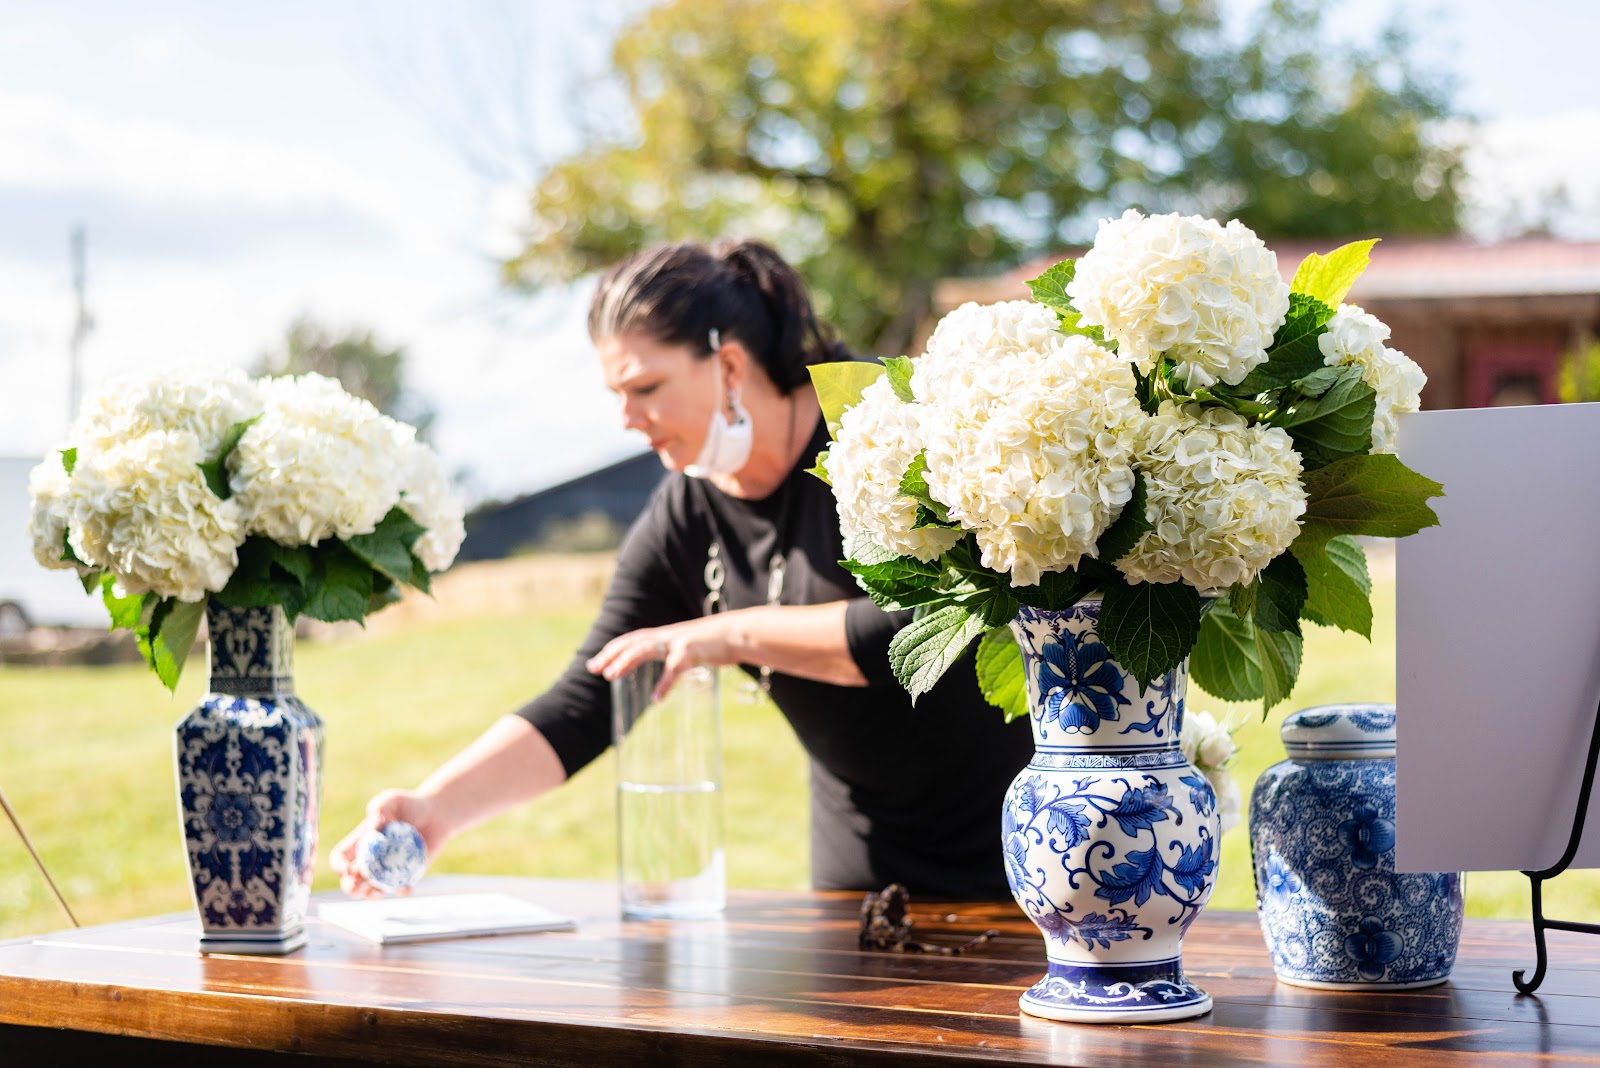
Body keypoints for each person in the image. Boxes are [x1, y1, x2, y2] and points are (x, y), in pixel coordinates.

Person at [331, 239, 1034, 899]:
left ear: (727, 366)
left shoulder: (882, 430)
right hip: (861, 874)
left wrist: (726, 635)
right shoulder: (686, 512)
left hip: (1029, 849)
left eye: (644, 387)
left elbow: (920, 631)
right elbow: (589, 696)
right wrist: (437, 808)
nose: (627, 418)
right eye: (616, 395)